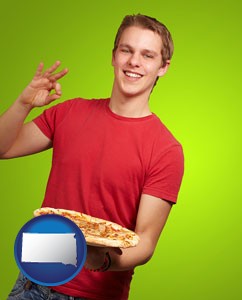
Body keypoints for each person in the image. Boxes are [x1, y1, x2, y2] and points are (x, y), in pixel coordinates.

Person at [1, 14, 184, 300]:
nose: (134, 61)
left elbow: (146, 241)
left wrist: (104, 261)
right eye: (127, 50)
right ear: (114, 56)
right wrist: (24, 103)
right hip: (31, 282)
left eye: (147, 55)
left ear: (163, 67)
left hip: (94, 293)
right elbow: (3, 148)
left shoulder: (166, 149)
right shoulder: (70, 112)